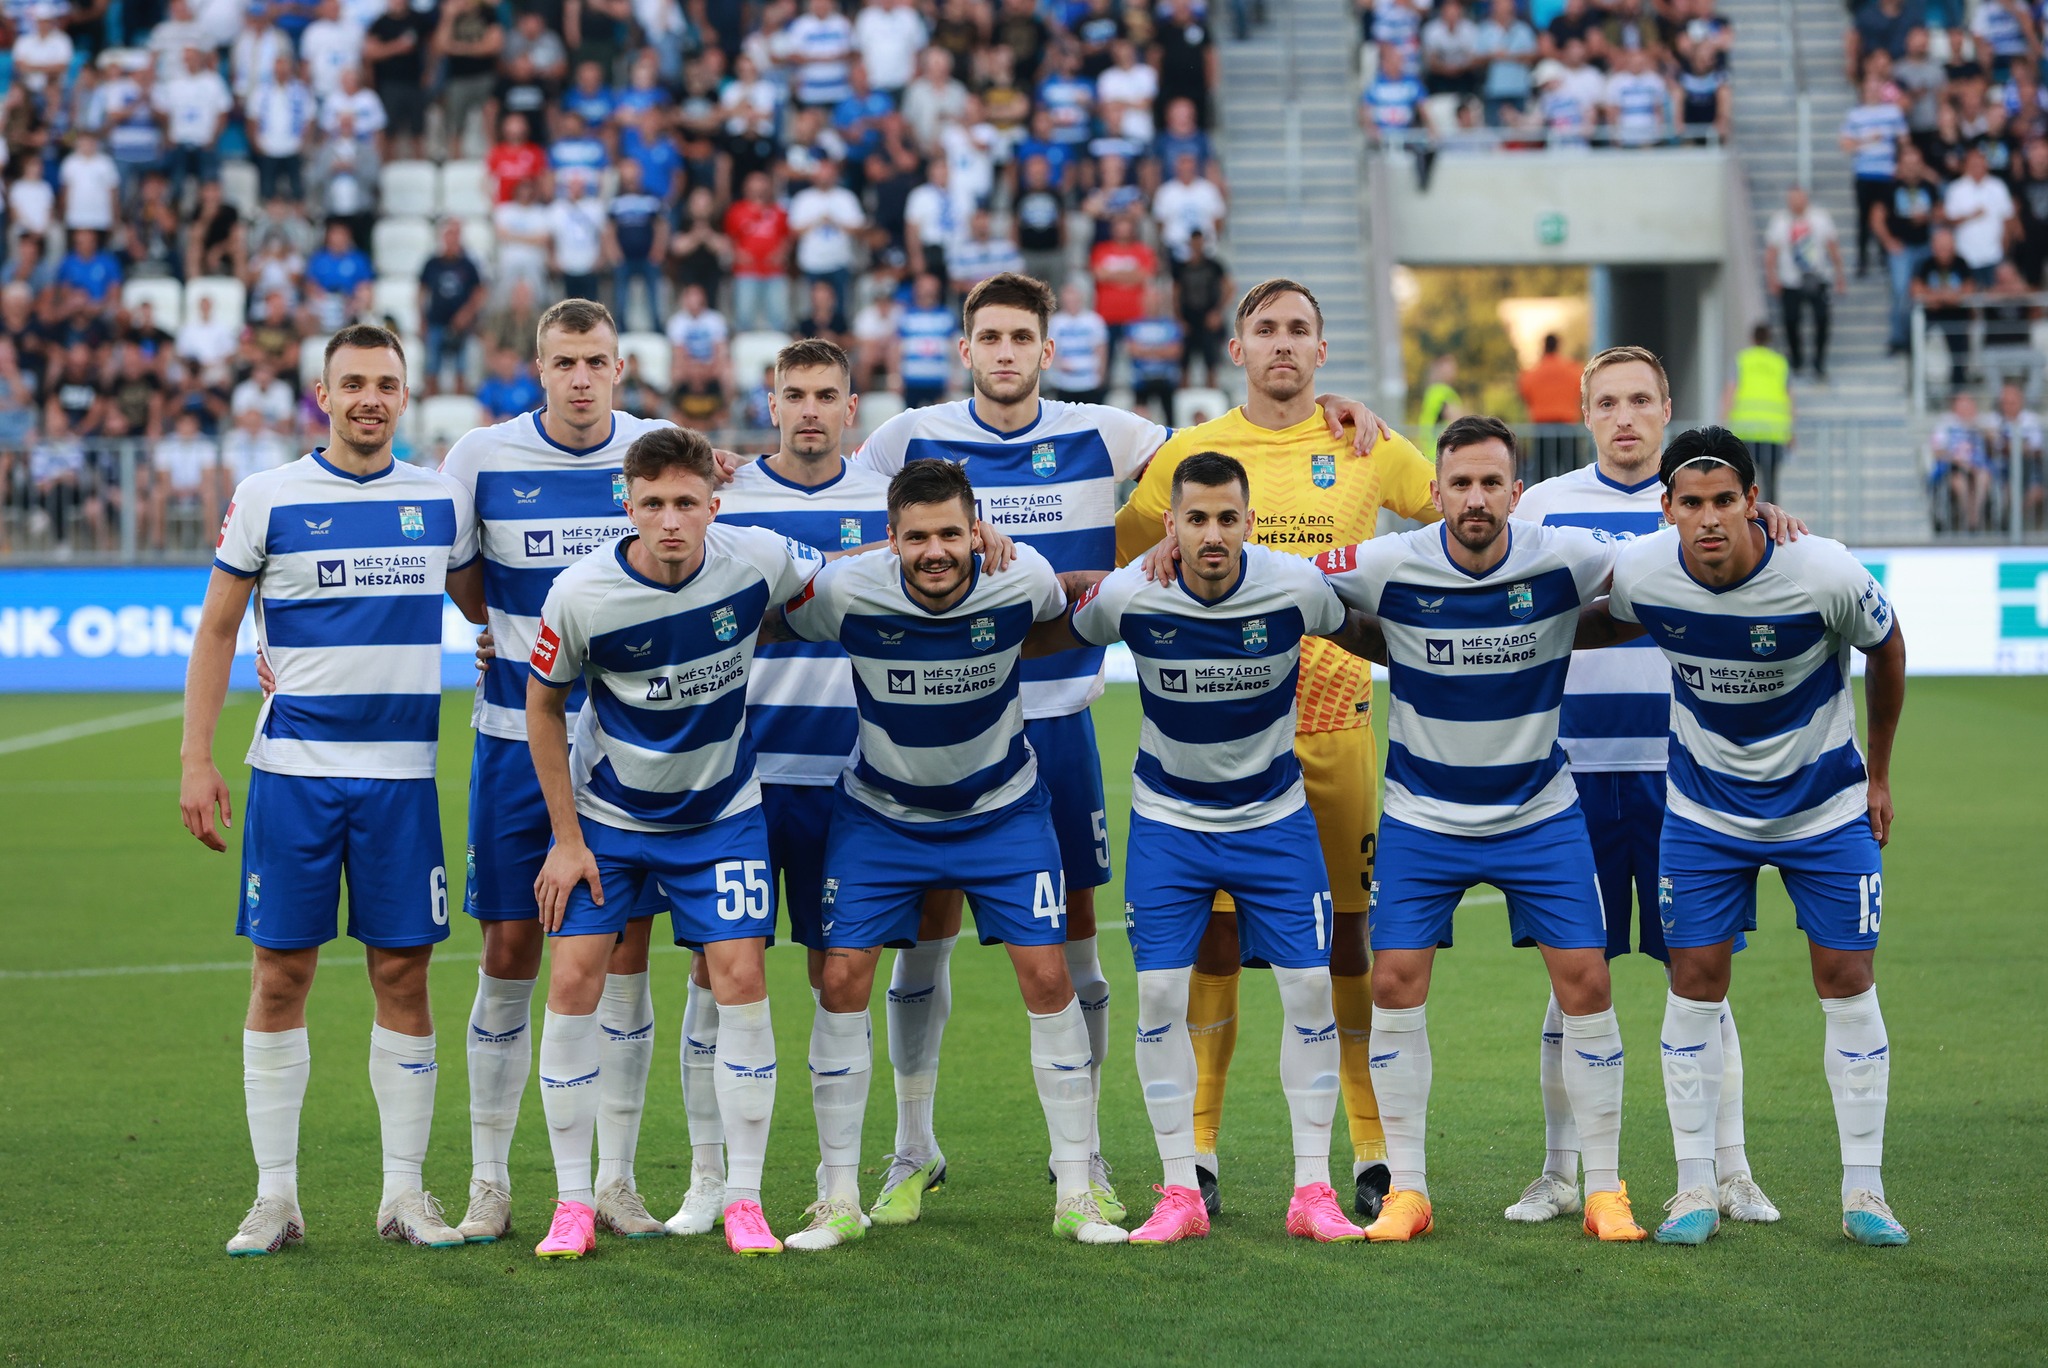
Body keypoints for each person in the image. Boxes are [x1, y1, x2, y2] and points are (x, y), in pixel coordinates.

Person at [1113, 278, 1433, 1221]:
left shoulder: (1365, 444)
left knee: (1345, 940)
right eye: (1266, 330)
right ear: (1238, 346)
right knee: (1210, 939)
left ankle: (1367, 1144)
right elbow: (1129, 553)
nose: (1283, 344)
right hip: (1213, 748)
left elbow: (1470, 512)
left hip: (1333, 733)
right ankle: (1201, 1148)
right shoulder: (1191, 455)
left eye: (1300, 330)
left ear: (1322, 350)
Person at [177, 324, 485, 1257]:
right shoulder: (268, 497)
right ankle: (276, 1198)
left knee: (404, 975)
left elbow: (490, 606)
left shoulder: (437, 501)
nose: (369, 399)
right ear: (322, 395)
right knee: (282, 974)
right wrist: (197, 759)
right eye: (352, 383)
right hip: (294, 779)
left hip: (400, 783)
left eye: (386, 384)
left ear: (406, 395)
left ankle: (403, 1195)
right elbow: (219, 632)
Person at [1314, 415, 1650, 1244]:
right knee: (1392, 984)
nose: (1475, 499)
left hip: (1539, 811)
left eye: (1490, 483)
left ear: (1516, 491)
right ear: (1435, 493)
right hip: (1424, 816)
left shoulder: (1565, 555)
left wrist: (1770, 523)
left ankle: (1605, 1190)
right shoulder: (1390, 561)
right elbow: (1288, 577)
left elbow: (1677, 560)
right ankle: (1410, 1192)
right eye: (1459, 484)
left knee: (1589, 986)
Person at [775, 458, 1125, 1249]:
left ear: (977, 530)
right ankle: (835, 1196)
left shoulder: (1019, 573)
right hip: (880, 818)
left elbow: (1068, 600)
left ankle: (1076, 1189)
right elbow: (758, 609)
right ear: (889, 538)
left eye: (951, 534)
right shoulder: (846, 589)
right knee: (840, 978)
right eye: (916, 537)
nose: (935, 552)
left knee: (1047, 973)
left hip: (1002, 813)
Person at [1599, 427, 1910, 1247]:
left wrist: (1878, 774)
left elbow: (1888, 647)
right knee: (1693, 980)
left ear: (1753, 503)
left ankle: (1864, 1194)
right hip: (1704, 814)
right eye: (1690, 503)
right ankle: (1695, 1188)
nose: (1708, 519)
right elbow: (1591, 619)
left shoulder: (1823, 572)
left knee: (1847, 978)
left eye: (1725, 501)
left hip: (1825, 810)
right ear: (1664, 509)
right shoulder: (1642, 573)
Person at [525, 425, 827, 1260]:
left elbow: (848, 575)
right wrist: (565, 839)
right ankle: (572, 1203)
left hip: (724, 815)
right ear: (627, 504)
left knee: (741, 976)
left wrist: (970, 536)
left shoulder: (755, 558)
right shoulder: (581, 593)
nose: (669, 520)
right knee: (577, 979)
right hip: (611, 824)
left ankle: (744, 1200)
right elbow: (542, 708)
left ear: (712, 507)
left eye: (685, 503)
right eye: (652, 503)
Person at [1064, 451, 1374, 1245]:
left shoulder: (1295, 587)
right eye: (1195, 519)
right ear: (1171, 523)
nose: (1212, 535)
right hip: (1170, 826)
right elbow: (1061, 632)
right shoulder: (1132, 593)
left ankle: (1313, 1190)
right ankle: (1180, 1192)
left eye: (1226, 519)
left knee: (1309, 994)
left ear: (1248, 522)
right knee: (1162, 1000)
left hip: (1275, 822)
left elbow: (1362, 628)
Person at [1511, 346, 1784, 1230]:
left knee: (1701, 979)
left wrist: (1771, 520)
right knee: (1572, 981)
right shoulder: (1544, 509)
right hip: (1572, 778)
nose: (1623, 417)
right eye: (1606, 403)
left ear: (1668, 407)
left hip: (1687, 779)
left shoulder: (1719, 510)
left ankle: (1731, 1171)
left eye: (1639, 400)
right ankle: (1562, 1172)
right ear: (1586, 414)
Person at [436, 300, 678, 1246]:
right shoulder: (480, 458)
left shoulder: (658, 450)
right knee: (508, 954)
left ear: (621, 370)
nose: (581, 379)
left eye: (598, 363)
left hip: (629, 752)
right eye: (564, 362)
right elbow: (465, 586)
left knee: (624, 954)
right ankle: (490, 1180)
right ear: (538, 369)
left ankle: (614, 1179)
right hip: (510, 739)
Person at [669, 338, 893, 1232]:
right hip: (743, 780)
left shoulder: (889, 501)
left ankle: (838, 1187)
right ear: (770, 404)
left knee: (843, 979)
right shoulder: (727, 497)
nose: (808, 409)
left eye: (825, 394)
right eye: (793, 393)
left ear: (851, 410)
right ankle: (706, 1179)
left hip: (855, 779)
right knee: (715, 975)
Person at [1763, 187, 1845, 380]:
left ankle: (1819, 362)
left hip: (1818, 277)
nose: (1795, 202)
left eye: (1798, 198)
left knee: (1822, 319)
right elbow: (1771, 253)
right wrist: (1772, 278)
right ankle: (1797, 359)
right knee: (1791, 320)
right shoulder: (1780, 221)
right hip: (1791, 280)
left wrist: (1840, 275)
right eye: (1791, 198)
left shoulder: (1820, 218)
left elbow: (1832, 247)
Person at [1840, 71, 1909, 278]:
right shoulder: (1855, 115)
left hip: (1887, 174)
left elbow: (1904, 141)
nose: (1872, 90)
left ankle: (1884, 255)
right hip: (1864, 173)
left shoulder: (1892, 112)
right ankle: (1862, 260)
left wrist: (1901, 165)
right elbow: (1845, 144)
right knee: (1863, 219)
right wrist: (1868, 141)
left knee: (1885, 217)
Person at [1722, 325, 1794, 502]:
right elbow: (1789, 397)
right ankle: (1771, 520)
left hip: (1745, 430)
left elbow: (1730, 391)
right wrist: (1791, 431)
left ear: (1753, 339)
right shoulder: (1780, 362)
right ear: (1769, 339)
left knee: (1743, 478)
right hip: (1774, 431)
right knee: (1770, 481)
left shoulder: (1742, 360)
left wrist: (1724, 422)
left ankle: (1744, 512)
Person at [419, 221, 485, 397]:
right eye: (449, 235)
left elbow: (479, 292)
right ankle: (431, 400)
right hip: (436, 321)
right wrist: (422, 319)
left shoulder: (468, 265)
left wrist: (467, 314)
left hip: (460, 326)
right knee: (432, 364)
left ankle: (459, 401)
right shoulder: (432, 263)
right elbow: (422, 291)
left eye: (455, 235)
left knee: (461, 367)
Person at [1518, 332, 1584, 476]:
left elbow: (1524, 392)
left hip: (1542, 429)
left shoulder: (1532, 373)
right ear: (1559, 346)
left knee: (1542, 473)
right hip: (1567, 428)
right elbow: (1581, 390)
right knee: (1572, 472)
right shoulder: (1573, 370)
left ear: (1543, 346)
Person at [1046, 281, 1109, 405]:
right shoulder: (1055, 322)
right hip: (1064, 382)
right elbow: (1051, 349)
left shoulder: (1094, 320)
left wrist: (1101, 375)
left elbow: (1101, 349)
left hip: (1089, 381)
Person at [1417, 354, 1463, 430]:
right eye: (1452, 368)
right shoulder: (1443, 392)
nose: (1455, 371)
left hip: (1431, 440)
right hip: (1444, 439)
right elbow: (1456, 418)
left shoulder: (1431, 391)